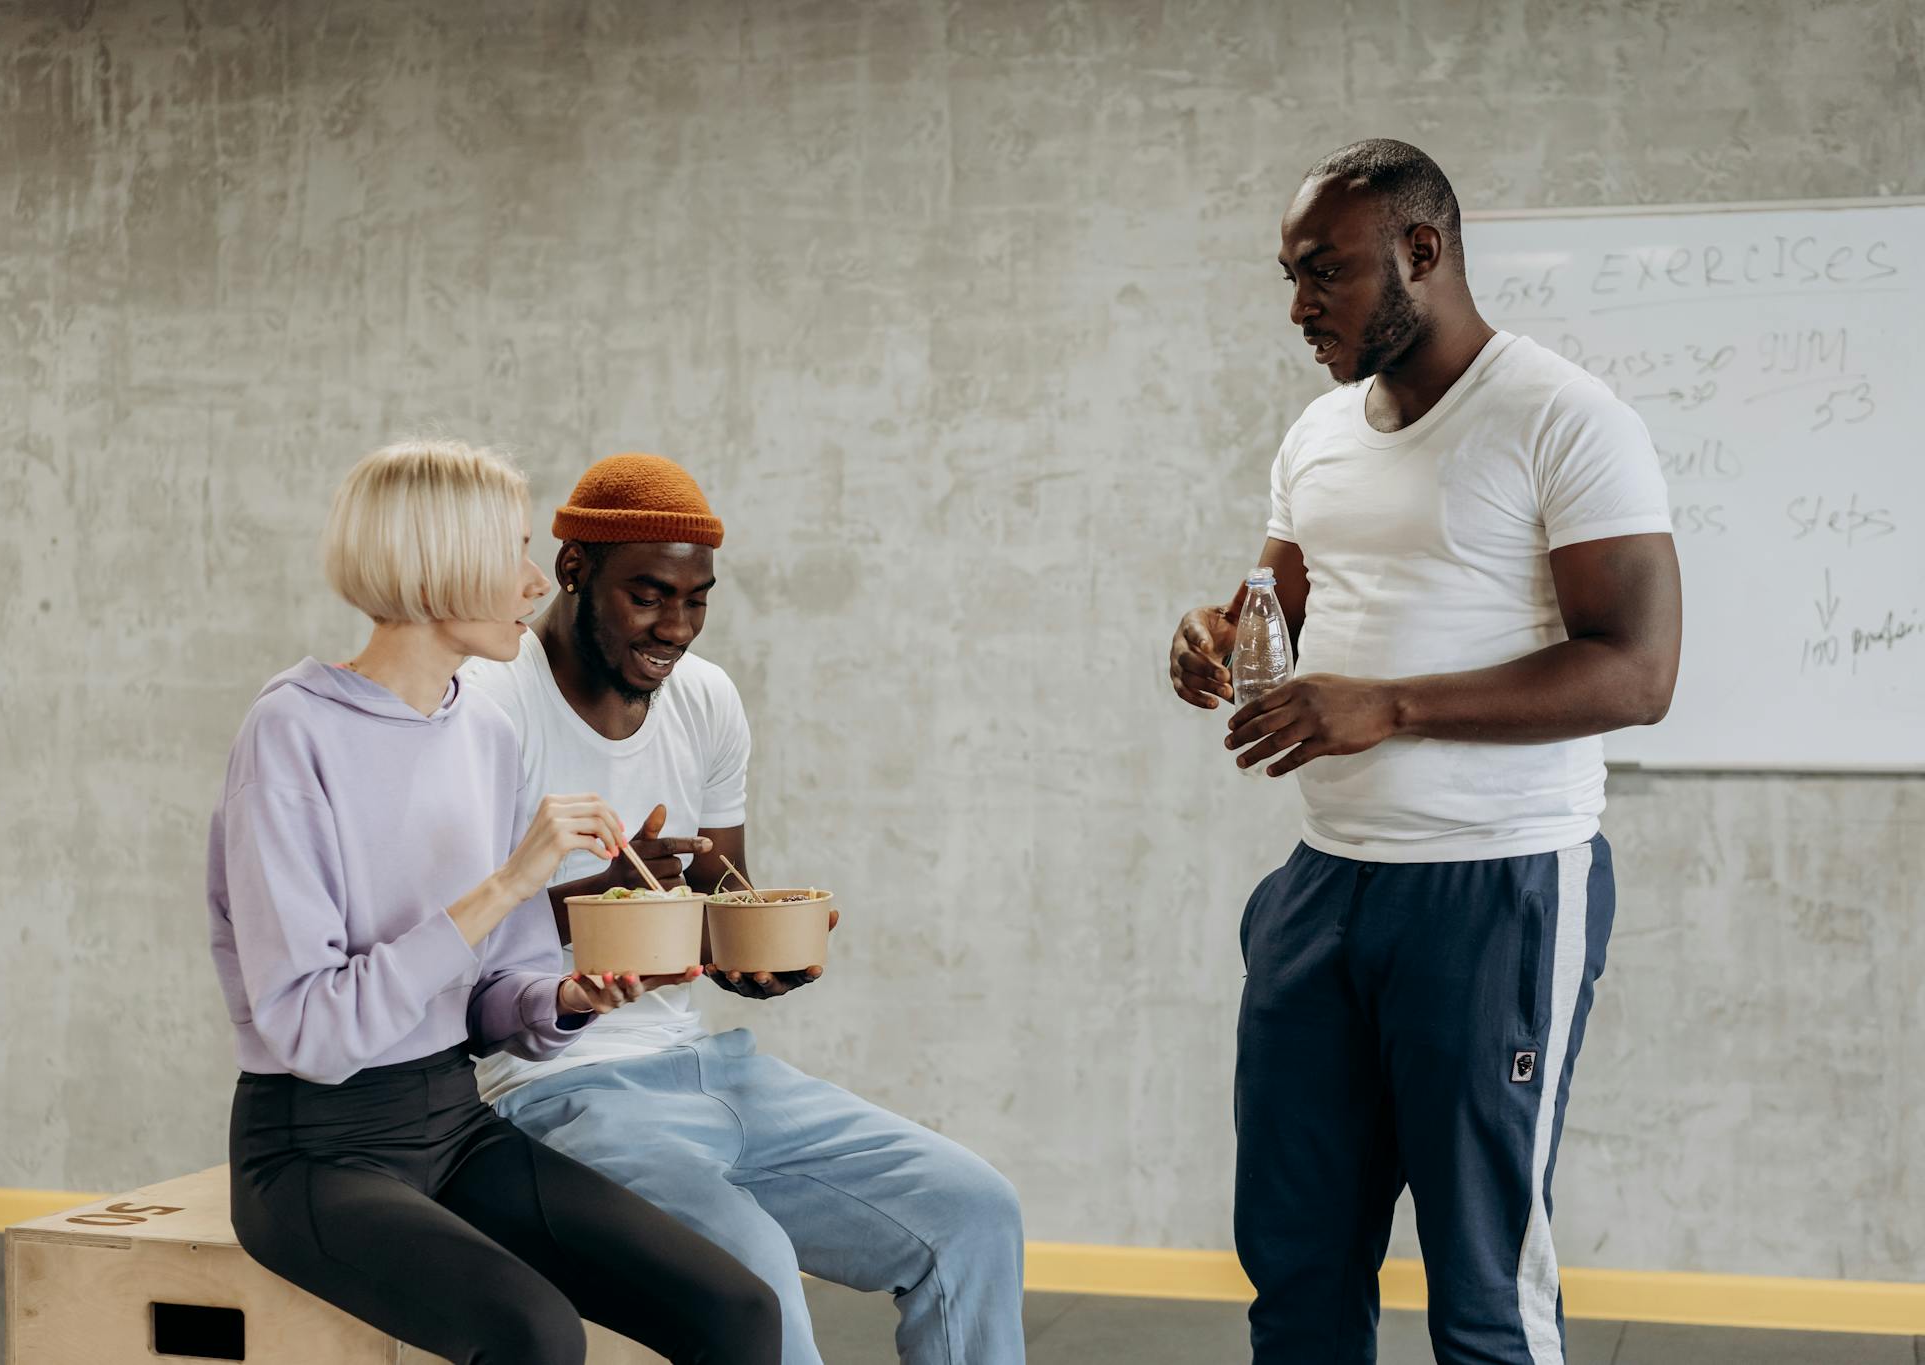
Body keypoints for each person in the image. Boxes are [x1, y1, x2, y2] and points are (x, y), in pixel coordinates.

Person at [1167, 141, 1682, 1364]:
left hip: (1497, 887)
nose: (1298, 307)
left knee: (1482, 1290)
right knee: (1294, 1273)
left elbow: (1637, 672)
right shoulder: (1315, 434)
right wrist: (1207, 637)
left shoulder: (1564, 417)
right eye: (1289, 277)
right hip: (1323, 884)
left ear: (1422, 252)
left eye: (1323, 274)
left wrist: (1390, 706)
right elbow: (1269, 615)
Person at [207, 439, 781, 1365]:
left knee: (738, 1310)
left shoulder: (480, 726)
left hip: (456, 1120)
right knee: (534, 1334)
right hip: (315, 1149)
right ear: (440, 570)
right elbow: (310, 1032)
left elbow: (492, 994)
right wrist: (510, 882)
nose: (530, 583)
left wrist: (565, 997)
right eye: (511, 553)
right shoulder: (291, 734)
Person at [462, 453, 1027, 1365]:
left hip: (705, 1066)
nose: (675, 627)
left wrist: (764, 959)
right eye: (648, 595)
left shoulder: (706, 700)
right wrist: (599, 898)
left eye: (697, 599)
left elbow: (722, 892)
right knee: (755, 1273)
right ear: (573, 569)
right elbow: (449, 946)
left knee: (973, 1208)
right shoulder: (488, 705)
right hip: (551, 1090)